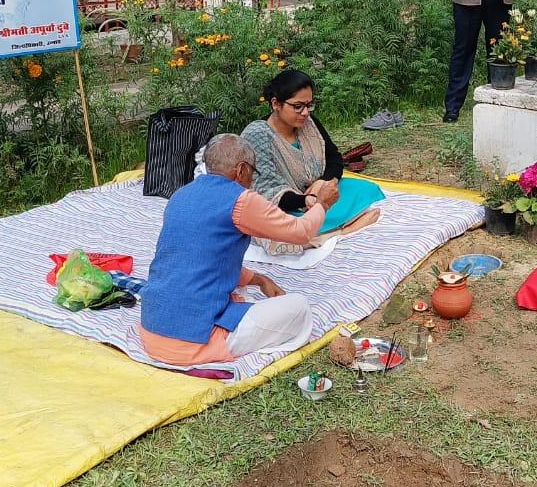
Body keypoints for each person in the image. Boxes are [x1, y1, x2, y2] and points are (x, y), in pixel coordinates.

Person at [139, 134, 322, 367]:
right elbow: (300, 231)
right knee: (299, 307)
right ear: (242, 170)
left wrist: (257, 278)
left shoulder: (180, 195)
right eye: (253, 173)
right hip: (192, 343)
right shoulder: (241, 199)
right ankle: (223, 339)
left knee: (240, 293)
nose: (252, 179)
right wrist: (322, 204)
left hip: (152, 328)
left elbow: (198, 256)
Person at [241, 70, 386, 236]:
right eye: (297, 106)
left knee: (366, 189)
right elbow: (265, 192)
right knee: (287, 226)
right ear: (276, 104)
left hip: (317, 195)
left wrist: (322, 182)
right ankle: (342, 230)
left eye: (308, 105)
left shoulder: (310, 123)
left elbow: (335, 159)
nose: (305, 112)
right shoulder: (258, 135)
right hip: (286, 206)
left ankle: (329, 225)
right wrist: (307, 199)